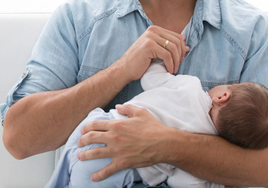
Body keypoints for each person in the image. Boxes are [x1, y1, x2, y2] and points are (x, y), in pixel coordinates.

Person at [1, 0, 268, 187]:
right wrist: (121, 70)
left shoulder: (252, 33)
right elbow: (19, 139)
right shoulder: (77, 19)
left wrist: (167, 145)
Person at [44, 58, 268, 188]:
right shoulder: (203, 147)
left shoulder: (190, 86)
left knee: (63, 167)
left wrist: (158, 60)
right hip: (111, 167)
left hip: (98, 123)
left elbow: (152, 78)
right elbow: (183, 183)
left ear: (222, 97)